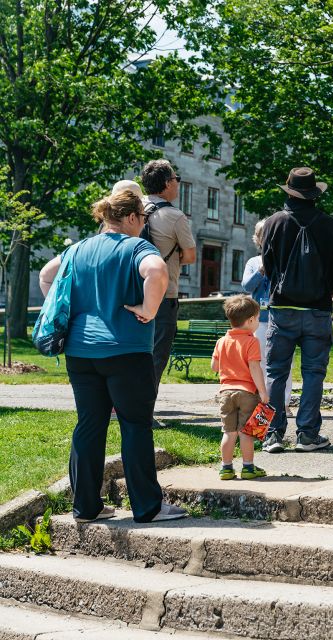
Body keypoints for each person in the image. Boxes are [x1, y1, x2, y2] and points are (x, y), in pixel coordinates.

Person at [38, 190, 186, 523]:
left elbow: (46, 276)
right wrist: (148, 309)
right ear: (133, 217)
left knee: (89, 425)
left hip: (80, 352)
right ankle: (147, 507)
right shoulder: (137, 247)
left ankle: (86, 507)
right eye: (143, 219)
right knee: (135, 425)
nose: (143, 225)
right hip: (126, 350)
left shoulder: (77, 249)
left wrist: (69, 311)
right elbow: (157, 271)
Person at [260, 167, 333, 453]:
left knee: (275, 372)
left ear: (290, 191)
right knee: (314, 373)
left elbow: (267, 266)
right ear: (314, 194)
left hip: (282, 308)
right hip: (318, 309)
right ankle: (307, 434)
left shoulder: (273, 223)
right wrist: (320, 289)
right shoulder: (331, 225)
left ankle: (271, 434)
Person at [140, 159, 197, 428]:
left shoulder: (132, 208)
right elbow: (191, 256)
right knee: (156, 355)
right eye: (176, 178)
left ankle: (123, 407)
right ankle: (143, 413)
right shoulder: (175, 216)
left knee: (130, 353)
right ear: (166, 184)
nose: (177, 183)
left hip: (131, 293)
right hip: (164, 294)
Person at [212, 295, 269, 481]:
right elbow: (254, 368)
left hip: (225, 392)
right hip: (247, 393)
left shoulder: (222, 341)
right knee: (246, 432)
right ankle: (248, 467)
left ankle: (226, 468)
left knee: (228, 432)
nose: (258, 322)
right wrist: (262, 391)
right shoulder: (252, 342)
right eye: (258, 318)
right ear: (251, 320)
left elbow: (214, 366)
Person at [241, 220, 292, 409]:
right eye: (264, 235)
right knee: (259, 360)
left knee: (285, 361)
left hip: (281, 317)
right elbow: (247, 286)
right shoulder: (253, 262)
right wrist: (261, 271)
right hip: (259, 320)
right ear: (258, 239)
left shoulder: (284, 259)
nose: (268, 239)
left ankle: (284, 403)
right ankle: (261, 399)